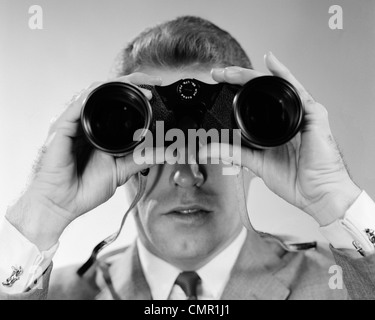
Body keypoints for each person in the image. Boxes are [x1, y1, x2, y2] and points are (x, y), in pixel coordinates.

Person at [1, 16, 375, 300]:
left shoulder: (338, 282)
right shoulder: (57, 293)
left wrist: (331, 195)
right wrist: (42, 211)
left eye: (214, 142)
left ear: (255, 149)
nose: (186, 175)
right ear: (115, 154)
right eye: (156, 144)